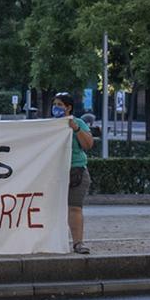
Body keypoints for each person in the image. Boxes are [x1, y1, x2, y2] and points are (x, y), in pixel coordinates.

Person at [53, 91, 95, 255]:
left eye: (60, 105)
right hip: (53, 173)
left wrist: (75, 128)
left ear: (68, 108)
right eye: (55, 105)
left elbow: (88, 144)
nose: (56, 108)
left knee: (74, 208)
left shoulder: (78, 123)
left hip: (75, 171)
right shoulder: (49, 124)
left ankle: (78, 243)